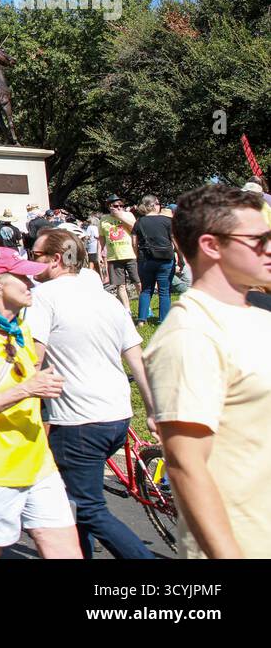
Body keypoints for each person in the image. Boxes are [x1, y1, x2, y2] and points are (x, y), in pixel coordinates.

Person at [144, 184, 271, 558]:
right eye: (259, 240)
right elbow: (185, 465)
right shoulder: (190, 334)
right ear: (212, 246)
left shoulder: (259, 318)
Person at [27, 229, 159, 559]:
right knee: (77, 499)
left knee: (87, 508)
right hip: (117, 415)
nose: (31, 263)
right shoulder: (106, 299)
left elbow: (33, 358)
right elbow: (136, 359)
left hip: (77, 421)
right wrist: (153, 410)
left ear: (56, 259)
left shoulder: (45, 297)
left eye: (36, 256)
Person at [0, 246, 81, 558]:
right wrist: (26, 389)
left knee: (66, 551)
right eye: (22, 277)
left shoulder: (18, 326)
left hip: (38, 464)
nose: (31, 283)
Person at [133, 195, 178, 326]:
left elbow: (134, 243)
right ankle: (163, 320)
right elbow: (174, 240)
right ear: (153, 205)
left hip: (146, 259)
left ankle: (141, 320)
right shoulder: (167, 221)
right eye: (159, 203)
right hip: (165, 259)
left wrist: (138, 258)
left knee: (146, 290)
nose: (160, 206)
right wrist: (180, 257)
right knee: (164, 290)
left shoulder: (139, 222)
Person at [100, 196, 139, 314]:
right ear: (109, 206)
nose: (119, 208)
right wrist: (101, 252)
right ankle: (127, 310)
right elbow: (101, 238)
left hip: (130, 254)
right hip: (114, 256)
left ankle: (145, 307)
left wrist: (120, 216)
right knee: (120, 285)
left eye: (121, 206)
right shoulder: (104, 219)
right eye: (116, 206)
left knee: (138, 282)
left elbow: (136, 228)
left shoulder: (128, 215)